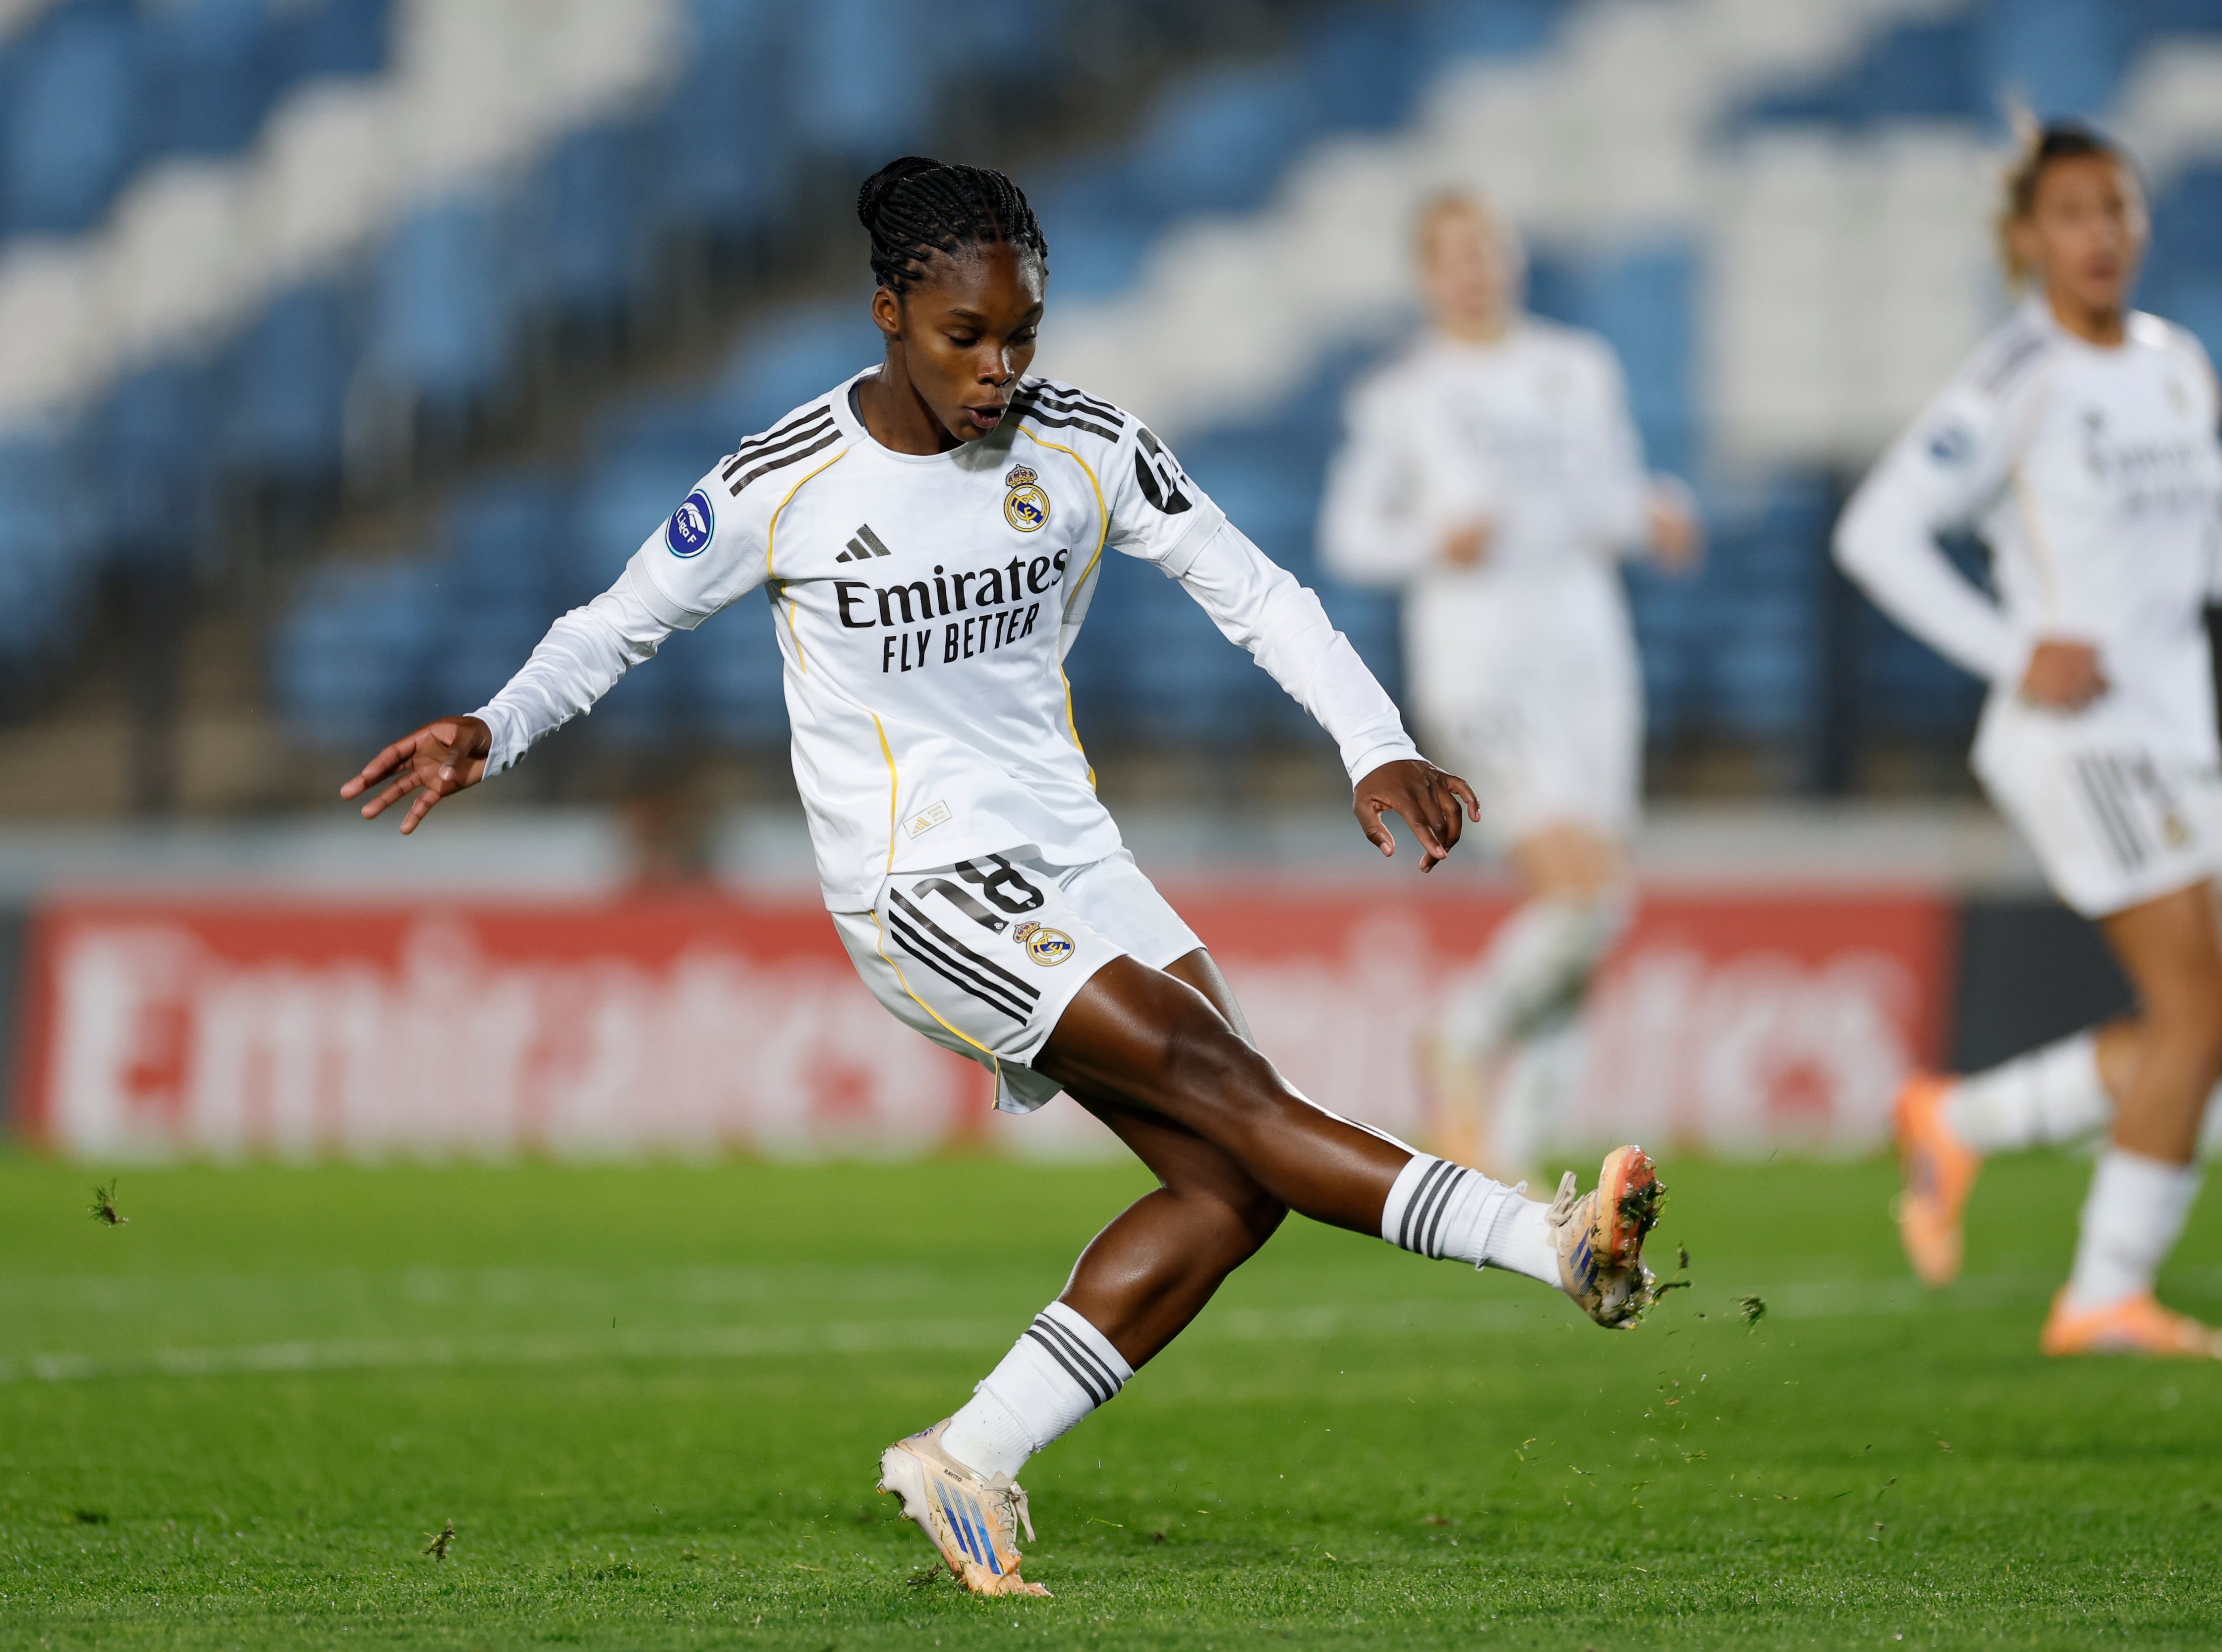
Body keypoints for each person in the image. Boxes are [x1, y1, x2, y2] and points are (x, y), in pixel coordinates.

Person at [340, 158, 1668, 1597]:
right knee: (1235, 1094)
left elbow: (1257, 589)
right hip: (918, 883)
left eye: (1023, 333)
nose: (1000, 368)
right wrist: (496, 724)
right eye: (965, 337)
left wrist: (1375, 745)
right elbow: (615, 626)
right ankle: (1552, 1246)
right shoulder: (785, 482)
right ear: (889, 315)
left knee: (1230, 1184)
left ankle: (970, 1453)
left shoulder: (1088, 443)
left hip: (1076, 856)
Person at [1834, 121, 2222, 1360]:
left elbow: (2203, 548)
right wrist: (2018, 648)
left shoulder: (2175, 364)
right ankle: (2102, 1293)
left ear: (2142, 224)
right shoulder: (2016, 375)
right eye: (2070, 214)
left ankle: (1959, 1116)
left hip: (2178, 738)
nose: (2099, 235)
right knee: (2192, 1009)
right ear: (2025, 240)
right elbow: (1875, 533)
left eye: (2115, 209)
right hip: (2082, 735)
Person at [1319, 191, 1700, 1181]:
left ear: (1513, 257)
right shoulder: (1402, 394)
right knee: (1580, 891)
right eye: (1452, 254)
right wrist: (1428, 541)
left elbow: (1608, 493)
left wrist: (1654, 512)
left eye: (1487, 249)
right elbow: (1349, 536)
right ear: (1425, 273)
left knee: (1599, 906)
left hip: (1588, 653)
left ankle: (1519, 1165)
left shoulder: (1577, 368)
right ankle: (1456, 1034)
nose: (1474, 269)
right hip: (1479, 661)